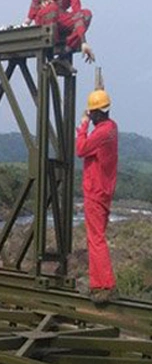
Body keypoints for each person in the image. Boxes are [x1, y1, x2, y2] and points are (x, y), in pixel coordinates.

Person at [76, 88, 118, 305]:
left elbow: (81, 149)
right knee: (97, 237)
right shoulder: (112, 128)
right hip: (105, 190)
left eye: (92, 114)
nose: (90, 117)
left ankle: (104, 285)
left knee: (96, 239)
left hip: (95, 191)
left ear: (98, 113)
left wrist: (82, 125)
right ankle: (99, 283)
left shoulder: (100, 133)